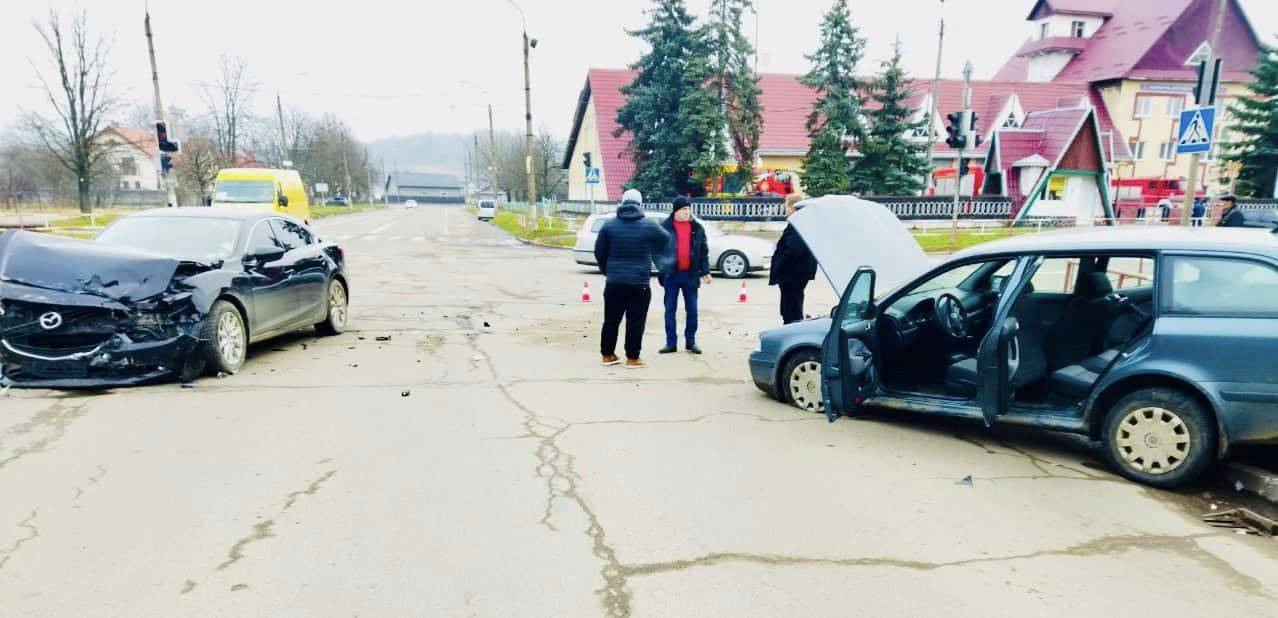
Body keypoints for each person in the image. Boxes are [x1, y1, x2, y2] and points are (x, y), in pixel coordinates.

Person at [594, 188, 670, 368]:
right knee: (636, 321)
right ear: (640, 204)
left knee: (611, 320)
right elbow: (666, 239)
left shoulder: (609, 225)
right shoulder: (649, 225)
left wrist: (607, 271)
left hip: (614, 283)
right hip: (639, 284)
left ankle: (607, 355)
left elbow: (599, 252)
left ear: (622, 202)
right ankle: (632, 358)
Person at [657, 197, 711, 355]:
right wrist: (662, 267)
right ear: (676, 211)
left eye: (688, 209)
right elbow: (657, 251)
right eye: (683, 209)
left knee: (692, 310)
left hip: (691, 275)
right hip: (672, 276)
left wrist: (706, 271)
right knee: (669, 310)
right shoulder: (665, 227)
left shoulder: (697, 228)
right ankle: (671, 343)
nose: (687, 212)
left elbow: (704, 252)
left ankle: (691, 342)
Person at [769, 192, 818, 325]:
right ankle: (792, 326)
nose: (785, 208)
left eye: (786, 205)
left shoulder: (798, 224)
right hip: (796, 274)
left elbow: (793, 250)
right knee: (792, 305)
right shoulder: (803, 222)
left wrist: (779, 265)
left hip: (792, 275)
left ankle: (792, 333)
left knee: (791, 309)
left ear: (791, 207)